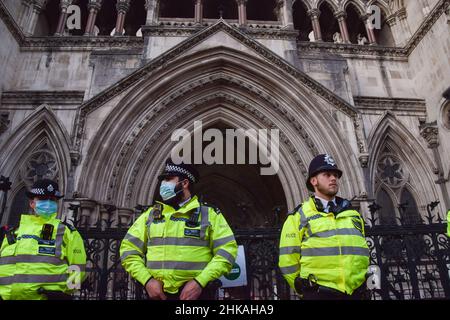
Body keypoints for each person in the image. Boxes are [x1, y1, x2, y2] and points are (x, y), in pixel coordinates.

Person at [120, 159, 238, 300]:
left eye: (169, 179)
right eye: (163, 180)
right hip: (157, 295)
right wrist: (147, 281)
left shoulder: (209, 214)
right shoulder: (150, 215)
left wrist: (200, 282)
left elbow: (227, 250)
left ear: (185, 183)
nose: (163, 184)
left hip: (197, 295)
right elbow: (128, 250)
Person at [278, 154, 369, 300]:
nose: (333, 178)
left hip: (355, 293)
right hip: (319, 294)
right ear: (313, 181)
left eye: (335, 175)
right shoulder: (298, 216)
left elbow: (364, 252)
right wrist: (304, 289)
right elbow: (287, 259)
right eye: (327, 174)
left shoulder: (353, 215)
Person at [0, 179, 87, 300]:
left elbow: (78, 267)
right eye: (42, 198)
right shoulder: (13, 232)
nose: (48, 203)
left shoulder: (67, 232)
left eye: (52, 200)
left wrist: (66, 293)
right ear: (32, 203)